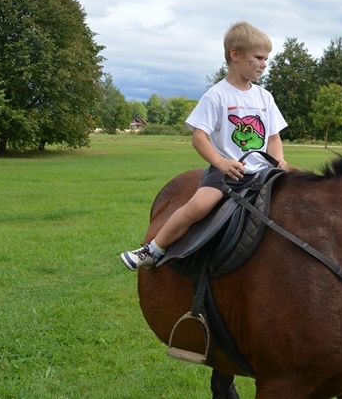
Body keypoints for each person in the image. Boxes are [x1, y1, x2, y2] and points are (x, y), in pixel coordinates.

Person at [120, 21, 288, 271]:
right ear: (236, 55)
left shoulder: (265, 97)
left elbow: (273, 137)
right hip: (227, 172)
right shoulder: (217, 95)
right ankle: (153, 250)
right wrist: (221, 163)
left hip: (264, 172)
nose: (264, 63)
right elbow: (199, 137)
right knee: (199, 205)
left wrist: (280, 161)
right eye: (259, 57)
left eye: (266, 58)